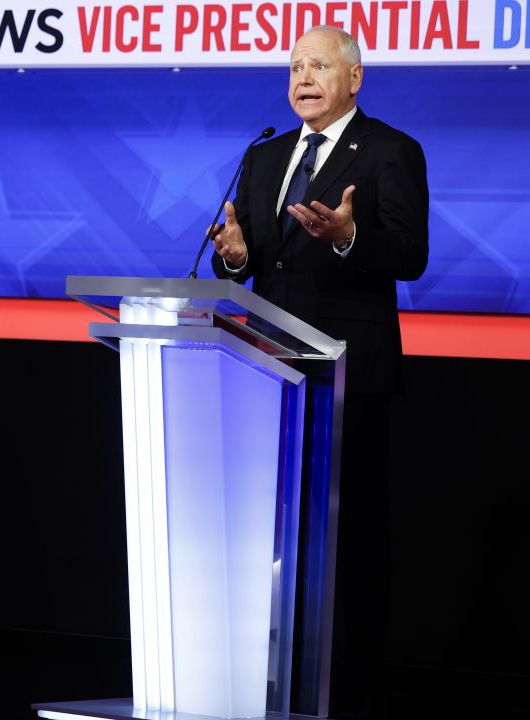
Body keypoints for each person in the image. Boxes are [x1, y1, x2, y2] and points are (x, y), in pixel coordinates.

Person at [210, 26, 429, 719]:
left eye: (319, 66)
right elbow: (247, 265)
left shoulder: (392, 150)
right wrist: (237, 257)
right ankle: (269, 673)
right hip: (266, 366)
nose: (303, 78)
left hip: (348, 373)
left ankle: (354, 685)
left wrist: (349, 237)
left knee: (351, 535)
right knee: (269, 528)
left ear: (354, 78)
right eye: (295, 67)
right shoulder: (266, 155)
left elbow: (410, 254)